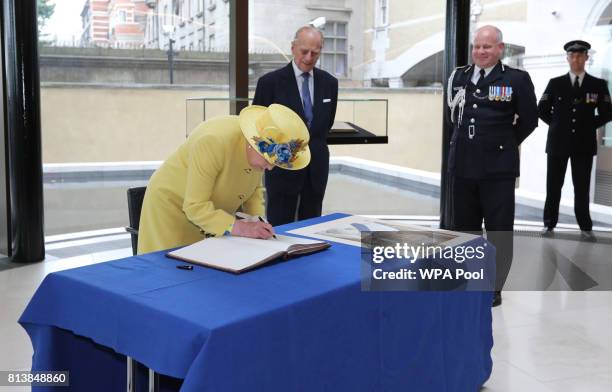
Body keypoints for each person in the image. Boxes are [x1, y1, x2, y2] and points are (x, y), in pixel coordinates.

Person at [445, 25, 538, 306]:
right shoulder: (458, 76)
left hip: (498, 169)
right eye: (476, 46)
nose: (480, 52)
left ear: (500, 48)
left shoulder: (516, 79)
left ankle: (493, 287)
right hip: (462, 165)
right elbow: (453, 117)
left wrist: (503, 143)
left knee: (498, 230)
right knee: (465, 228)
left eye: (487, 47)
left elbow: (530, 120)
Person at [137, 104, 311, 254]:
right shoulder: (213, 141)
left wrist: (257, 221)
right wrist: (241, 228)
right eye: (268, 160)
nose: (270, 168)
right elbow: (194, 206)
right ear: (253, 143)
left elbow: (254, 190)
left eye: (276, 163)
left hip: (212, 216)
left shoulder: (257, 149)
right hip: (172, 209)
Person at [253, 25, 338, 226]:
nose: (309, 57)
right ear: (293, 48)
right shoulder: (269, 83)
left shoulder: (330, 83)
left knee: (312, 229)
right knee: (279, 228)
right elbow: (258, 128)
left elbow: (326, 124)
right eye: (304, 51)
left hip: (316, 169)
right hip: (282, 170)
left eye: (315, 53)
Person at [538, 40, 612, 242]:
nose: (576, 59)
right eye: (572, 55)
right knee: (553, 186)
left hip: (583, 145)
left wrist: (589, 125)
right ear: (567, 58)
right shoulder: (555, 83)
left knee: (581, 187)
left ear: (586, 58)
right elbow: (541, 109)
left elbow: (607, 113)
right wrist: (556, 125)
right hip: (557, 143)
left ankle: (586, 228)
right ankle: (548, 224)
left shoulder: (597, 85)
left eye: (580, 55)